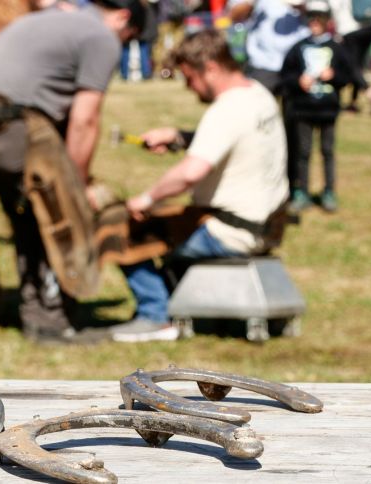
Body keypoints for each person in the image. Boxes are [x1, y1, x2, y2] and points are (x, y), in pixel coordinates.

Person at [0, 0, 146, 342]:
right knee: (57, 210)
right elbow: (85, 120)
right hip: (5, 117)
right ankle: (50, 321)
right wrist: (77, 185)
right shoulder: (102, 36)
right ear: (123, 17)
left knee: (26, 209)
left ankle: (37, 309)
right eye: (130, 36)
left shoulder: (56, 17)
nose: (124, 43)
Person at [109, 29, 289, 342]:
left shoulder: (226, 109)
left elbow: (191, 173)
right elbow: (233, 138)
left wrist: (146, 200)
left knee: (119, 229)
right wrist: (178, 137)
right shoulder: (258, 95)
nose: (188, 87)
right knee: (168, 223)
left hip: (227, 232)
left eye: (190, 77)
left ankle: (155, 316)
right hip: (267, 225)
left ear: (211, 68)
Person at [281, 0, 353, 213]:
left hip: (327, 109)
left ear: (326, 21)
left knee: (327, 151)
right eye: (311, 18)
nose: (314, 22)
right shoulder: (298, 47)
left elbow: (347, 76)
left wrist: (334, 76)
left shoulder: (336, 48)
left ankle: (329, 191)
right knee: (303, 152)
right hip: (303, 109)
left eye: (319, 19)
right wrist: (298, 81)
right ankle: (301, 191)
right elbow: (286, 76)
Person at [228, 0, 310, 94]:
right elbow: (234, 15)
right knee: (258, 100)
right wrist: (251, 2)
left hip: (298, 63)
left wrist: (304, 7)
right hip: (264, 63)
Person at [328, 0, 371, 114]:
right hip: (369, 29)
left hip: (349, 31)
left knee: (352, 67)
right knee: (358, 66)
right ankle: (353, 103)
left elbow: (334, 8)